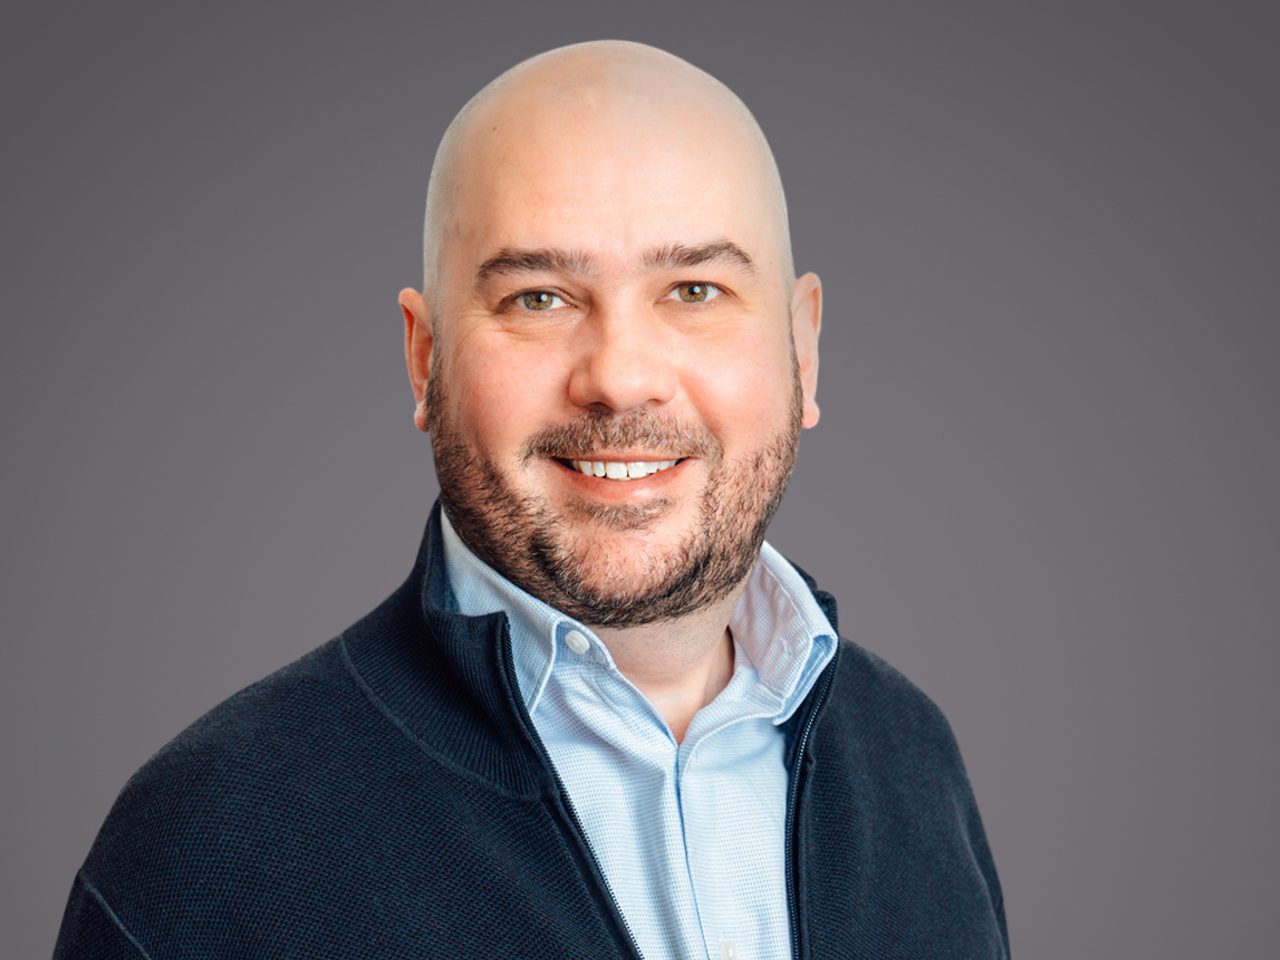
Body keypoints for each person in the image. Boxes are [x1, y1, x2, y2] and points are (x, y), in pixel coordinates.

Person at [53, 40, 1009, 960]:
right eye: (539, 298)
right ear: (425, 359)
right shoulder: (212, 852)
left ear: (803, 350)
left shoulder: (911, 761)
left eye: (694, 289)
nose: (621, 378)